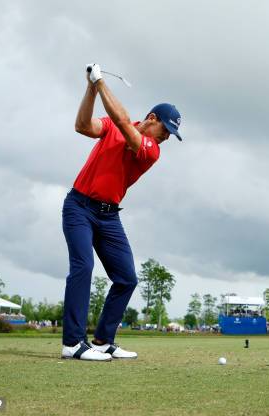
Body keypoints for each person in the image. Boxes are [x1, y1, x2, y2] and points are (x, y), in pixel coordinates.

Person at [61, 63, 183, 361]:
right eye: (166, 129)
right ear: (152, 119)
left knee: (127, 278)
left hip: (108, 216)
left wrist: (100, 82)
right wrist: (91, 88)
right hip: (79, 207)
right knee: (83, 268)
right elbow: (83, 126)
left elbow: (124, 120)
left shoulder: (150, 149)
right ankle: (73, 344)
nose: (166, 137)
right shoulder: (113, 126)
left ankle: (102, 341)